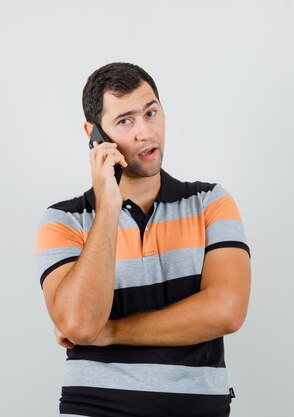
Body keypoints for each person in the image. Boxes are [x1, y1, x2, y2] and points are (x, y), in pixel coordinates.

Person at [35, 62, 251, 417]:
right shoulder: (64, 221)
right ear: (95, 135)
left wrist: (112, 332)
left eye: (151, 113)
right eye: (125, 121)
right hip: (96, 408)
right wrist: (107, 208)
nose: (145, 132)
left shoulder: (211, 202)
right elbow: (80, 324)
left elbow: (227, 311)